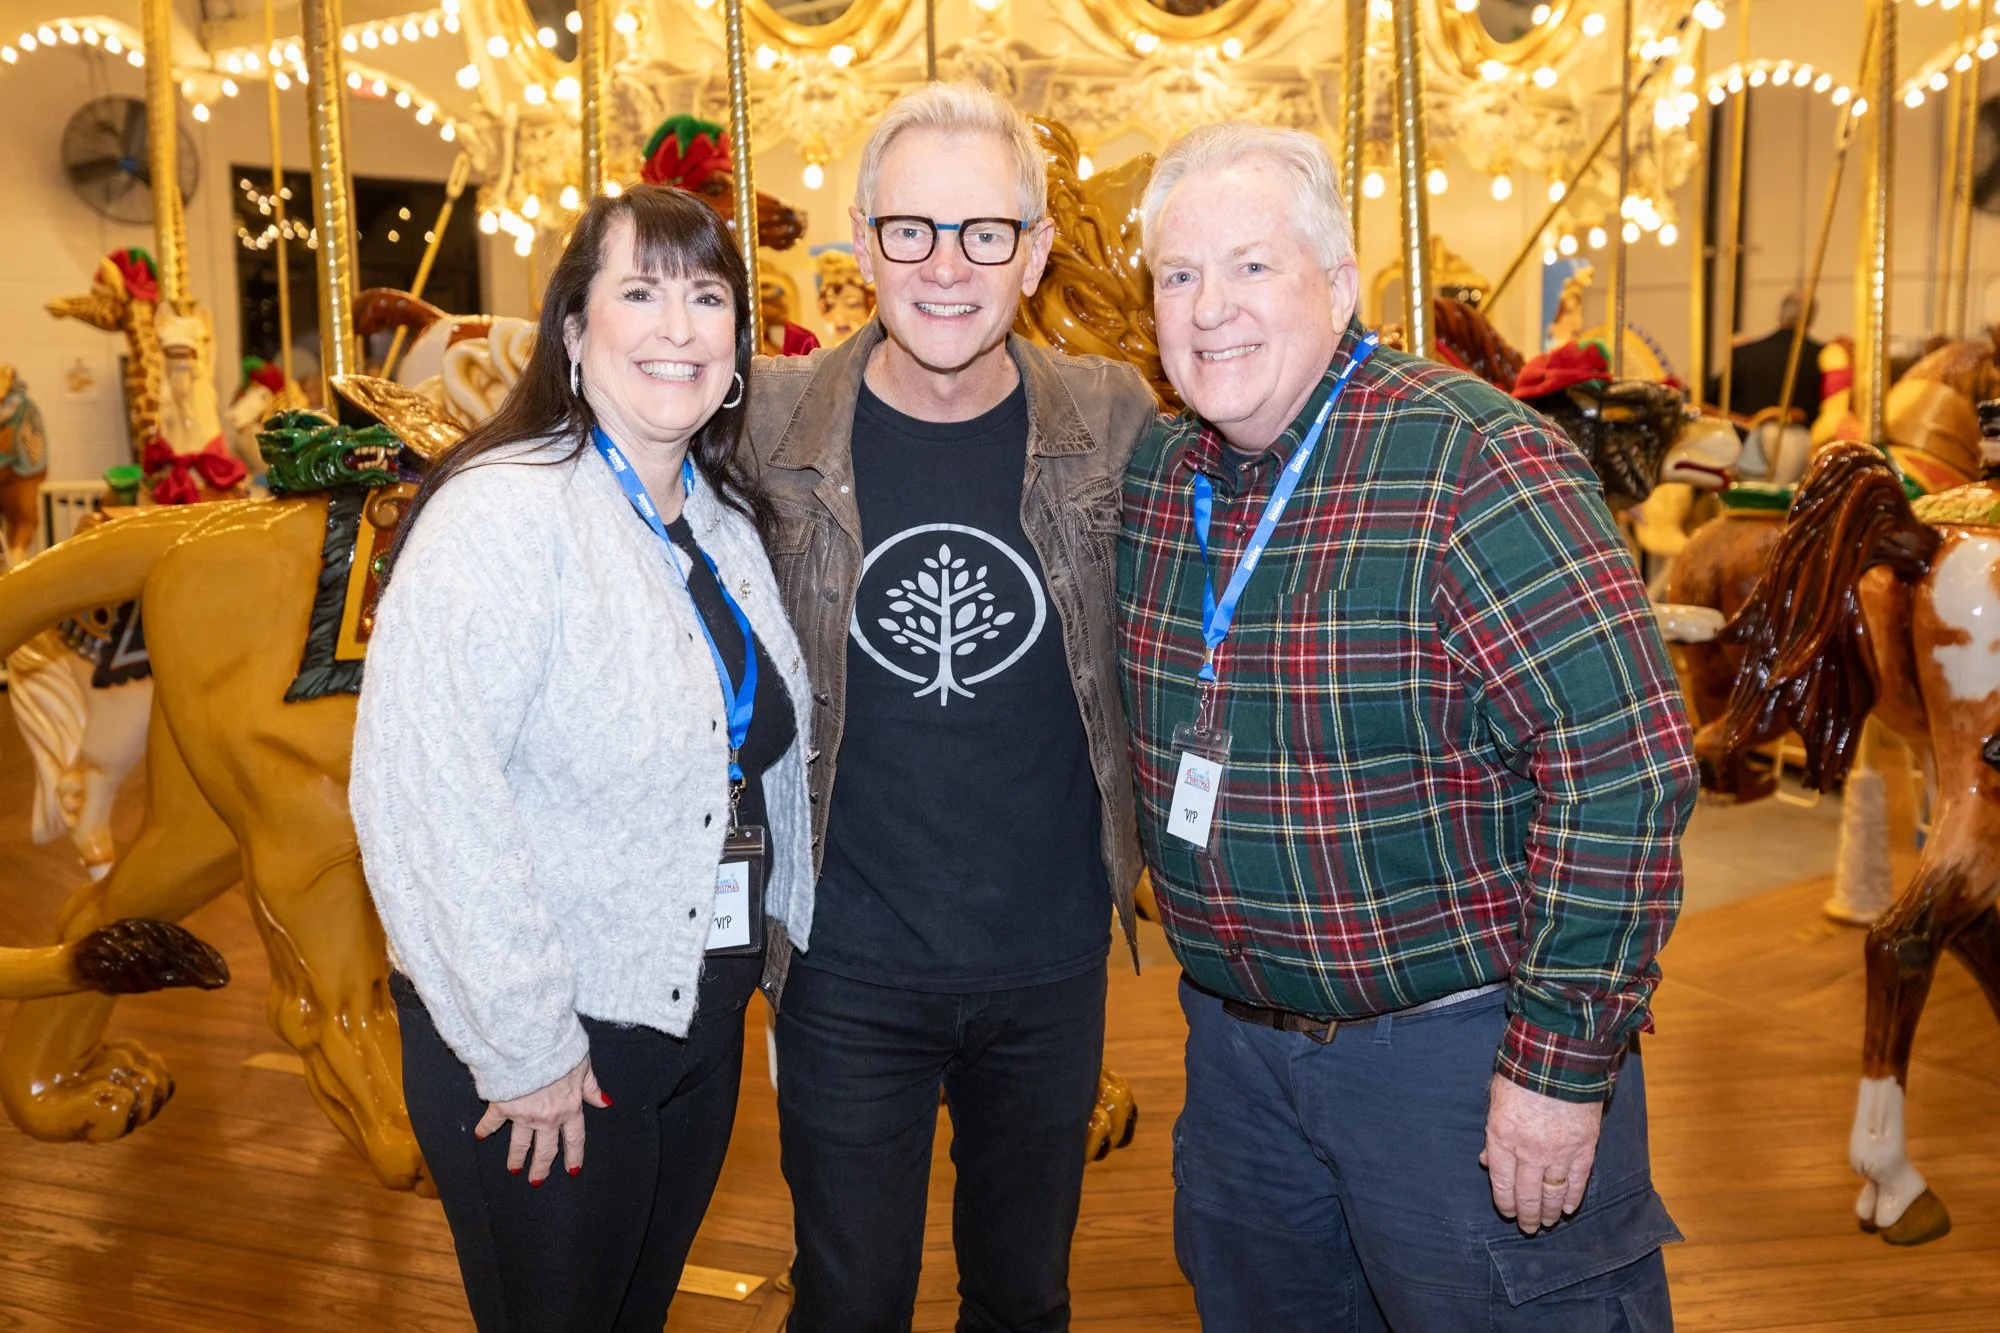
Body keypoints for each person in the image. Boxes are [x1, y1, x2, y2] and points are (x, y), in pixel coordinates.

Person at [1117, 122, 1696, 1329]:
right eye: (1178, 274)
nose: (1208, 307)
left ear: (1337, 285)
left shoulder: (1474, 461)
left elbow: (1622, 769)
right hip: (1237, 1066)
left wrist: (1554, 1065)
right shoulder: (1162, 479)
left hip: (1455, 1063)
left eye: (1250, 266)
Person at [350, 184, 814, 1332]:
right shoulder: (500, 517)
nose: (677, 326)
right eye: (640, 291)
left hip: (694, 1014)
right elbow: (423, 798)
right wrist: (525, 1048)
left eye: (706, 297)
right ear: (572, 330)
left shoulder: (721, 517)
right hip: (557, 1045)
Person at [743, 81, 1156, 1332]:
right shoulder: (769, 418)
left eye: (984, 232)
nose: (944, 266)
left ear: (1031, 254)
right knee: (850, 1298)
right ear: (862, 242)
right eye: (911, 229)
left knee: (1024, 1295)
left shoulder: (1110, 416)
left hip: (1047, 958)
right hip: (843, 960)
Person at [1704, 291, 1822, 417]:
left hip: (1745, 434)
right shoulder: (1822, 355)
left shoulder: (1745, 354)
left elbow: (1710, 396)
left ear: (1780, 316)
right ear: (1810, 320)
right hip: (1803, 433)